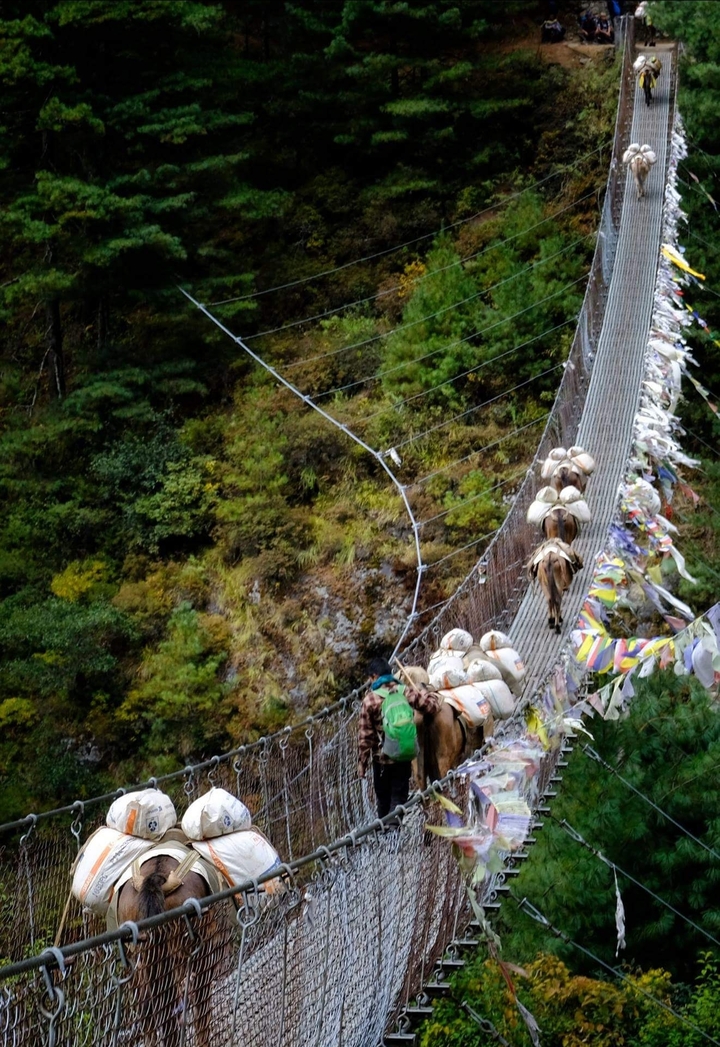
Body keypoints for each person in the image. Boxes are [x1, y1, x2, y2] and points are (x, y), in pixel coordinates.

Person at [357, 657, 440, 819]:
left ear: (374, 677)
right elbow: (431, 708)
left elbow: (365, 737)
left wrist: (362, 764)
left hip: (381, 761)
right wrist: (429, 695)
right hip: (404, 755)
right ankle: (394, 829)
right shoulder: (405, 691)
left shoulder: (369, 700)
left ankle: (385, 834)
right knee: (399, 798)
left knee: (383, 801)